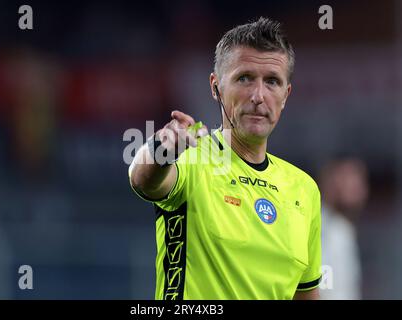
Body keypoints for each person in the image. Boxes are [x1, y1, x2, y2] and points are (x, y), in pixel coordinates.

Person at [128, 17, 321, 300]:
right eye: (244, 78)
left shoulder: (304, 189)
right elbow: (142, 179)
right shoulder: (192, 157)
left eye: (272, 82)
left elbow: (306, 295)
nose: (258, 96)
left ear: (285, 95)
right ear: (216, 87)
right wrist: (163, 146)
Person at [319, 157, 369, 299]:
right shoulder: (325, 230)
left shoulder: (342, 229)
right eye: (345, 179)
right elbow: (321, 288)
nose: (355, 188)